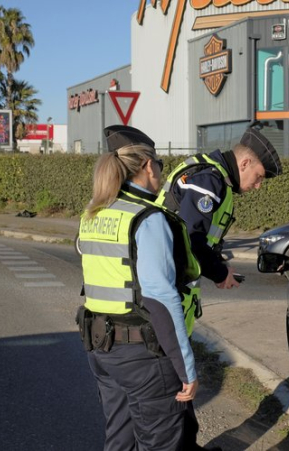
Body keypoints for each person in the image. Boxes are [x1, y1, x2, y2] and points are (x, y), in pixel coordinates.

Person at [76, 125, 209, 450]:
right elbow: (161, 301)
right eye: (161, 164)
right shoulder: (147, 219)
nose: (163, 171)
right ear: (148, 165)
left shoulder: (92, 214)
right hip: (143, 358)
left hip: (101, 351)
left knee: (120, 440)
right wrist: (186, 369)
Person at [158, 122, 283, 290]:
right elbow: (190, 238)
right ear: (245, 164)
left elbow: (201, 238)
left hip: (170, 275)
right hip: (167, 279)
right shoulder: (209, 182)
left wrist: (220, 264)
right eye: (258, 176)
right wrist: (220, 273)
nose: (258, 185)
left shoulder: (215, 178)